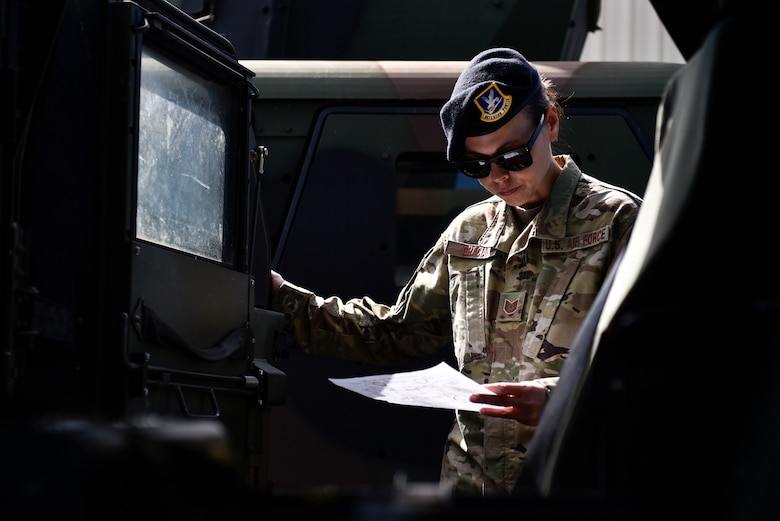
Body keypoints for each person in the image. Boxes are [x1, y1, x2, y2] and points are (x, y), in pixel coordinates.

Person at [270, 47, 641, 496]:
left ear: (553, 123)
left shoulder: (616, 222)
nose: (498, 176)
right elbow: (396, 333)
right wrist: (281, 298)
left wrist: (557, 398)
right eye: (476, 165)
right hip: (471, 492)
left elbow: (654, 362)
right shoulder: (470, 231)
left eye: (513, 156)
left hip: (568, 488)